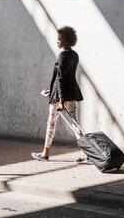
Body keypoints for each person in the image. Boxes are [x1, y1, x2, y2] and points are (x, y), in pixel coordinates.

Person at [32, 26, 87, 163]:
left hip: (60, 98)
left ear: (66, 41)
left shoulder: (62, 55)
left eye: (59, 39)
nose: (57, 41)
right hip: (71, 93)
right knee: (75, 124)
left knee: (51, 124)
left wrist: (61, 100)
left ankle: (45, 153)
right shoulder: (74, 55)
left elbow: (60, 78)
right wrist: (53, 91)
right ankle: (86, 153)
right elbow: (67, 77)